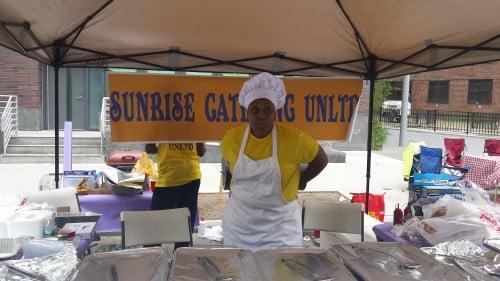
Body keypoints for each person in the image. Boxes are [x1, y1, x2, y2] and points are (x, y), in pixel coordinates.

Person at [221, 72, 328, 251]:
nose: (261, 115)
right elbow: (233, 172)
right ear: (246, 112)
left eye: (267, 109)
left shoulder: (294, 138)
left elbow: (321, 160)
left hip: (280, 230)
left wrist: (302, 179)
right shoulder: (231, 138)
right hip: (239, 229)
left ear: (276, 111)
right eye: (255, 110)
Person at [145, 142, 206, 246]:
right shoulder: (197, 126)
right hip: (191, 175)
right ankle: (181, 256)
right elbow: (201, 152)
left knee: (156, 224)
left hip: (169, 176)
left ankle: (152, 256)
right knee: (185, 222)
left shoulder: (158, 125)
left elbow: (149, 149)